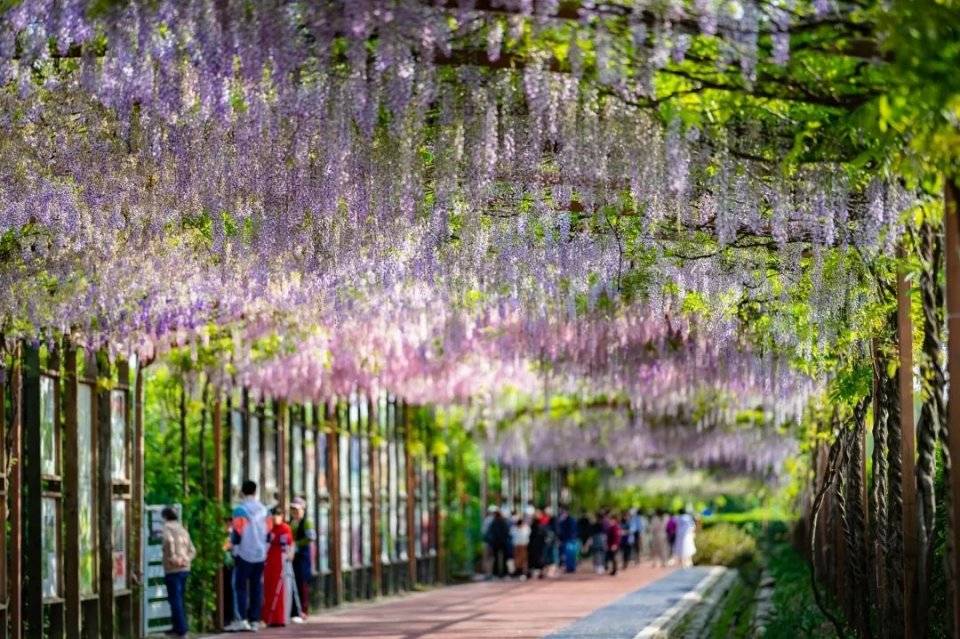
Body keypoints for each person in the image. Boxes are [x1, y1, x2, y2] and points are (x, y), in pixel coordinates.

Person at [226, 480, 269, 632]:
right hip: (261, 554)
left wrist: (230, 548)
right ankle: (255, 620)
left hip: (244, 553)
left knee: (240, 587)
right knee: (256, 587)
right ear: (255, 492)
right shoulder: (264, 510)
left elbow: (237, 533)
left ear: (242, 492)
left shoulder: (240, 510)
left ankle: (242, 619)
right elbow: (269, 533)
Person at [161, 507, 196, 639]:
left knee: (174, 599)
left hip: (172, 568)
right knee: (180, 598)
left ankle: (181, 630)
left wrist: (173, 556)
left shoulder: (166, 528)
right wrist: (186, 559)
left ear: (165, 517)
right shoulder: (183, 530)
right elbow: (193, 549)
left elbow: (167, 541)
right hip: (185, 568)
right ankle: (177, 627)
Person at [263, 506, 294, 627]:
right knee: (269, 588)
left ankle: (281, 617)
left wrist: (289, 555)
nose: (275, 518)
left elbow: (289, 544)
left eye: (278, 515)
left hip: (281, 561)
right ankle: (269, 617)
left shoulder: (285, 528)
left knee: (282, 590)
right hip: (270, 561)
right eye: (273, 515)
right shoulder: (269, 529)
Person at [289, 497, 315, 623]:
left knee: (302, 583)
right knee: (293, 583)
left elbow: (311, 537)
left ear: (303, 509)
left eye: (297, 509)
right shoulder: (292, 522)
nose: (294, 512)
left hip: (303, 557)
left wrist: (297, 544)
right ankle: (294, 611)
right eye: (292, 509)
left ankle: (303, 610)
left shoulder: (307, 522)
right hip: (292, 557)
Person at [486, 508, 511, 578]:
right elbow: (507, 532)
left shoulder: (494, 522)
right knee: (504, 558)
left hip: (496, 543)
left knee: (496, 558)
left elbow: (491, 532)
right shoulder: (503, 522)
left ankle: (496, 573)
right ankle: (504, 573)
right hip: (503, 542)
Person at [557, 507, 579, 574]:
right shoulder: (571, 520)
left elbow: (562, 531)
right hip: (570, 539)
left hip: (569, 539)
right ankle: (570, 567)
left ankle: (570, 568)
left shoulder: (566, 521)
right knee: (570, 555)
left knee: (569, 554)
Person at [528, 510, 547, 579]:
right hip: (539, 546)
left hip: (534, 546)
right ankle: (540, 573)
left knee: (533, 560)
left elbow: (530, 536)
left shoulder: (533, 526)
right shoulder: (541, 526)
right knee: (539, 559)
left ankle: (531, 572)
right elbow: (544, 536)